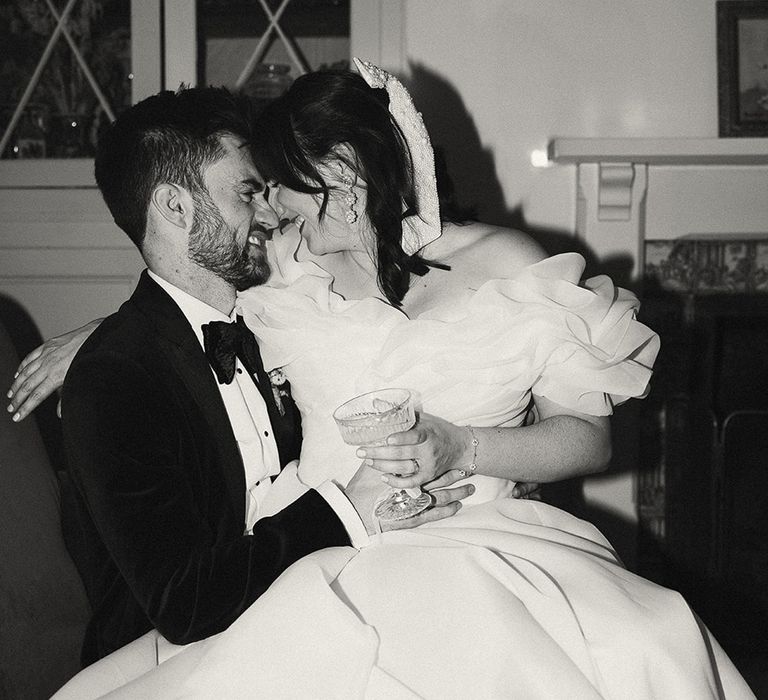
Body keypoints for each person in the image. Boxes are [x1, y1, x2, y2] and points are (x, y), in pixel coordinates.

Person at [9, 63, 754, 698]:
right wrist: (101, 337)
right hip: (321, 550)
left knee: (631, 647)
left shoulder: (513, 266)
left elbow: (590, 439)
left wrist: (463, 447)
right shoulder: (289, 269)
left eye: (277, 186)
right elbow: (189, 290)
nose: (269, 209)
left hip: (486, 541)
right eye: (257, 191)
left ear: (341, 177)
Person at [34, 84, 473, 699]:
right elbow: (185, 603)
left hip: (309, 602)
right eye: (246, 193)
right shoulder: (114, 380)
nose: (270, 214)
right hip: (177, 658)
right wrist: (349, 508)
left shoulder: (273, 321)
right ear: (175, 206)